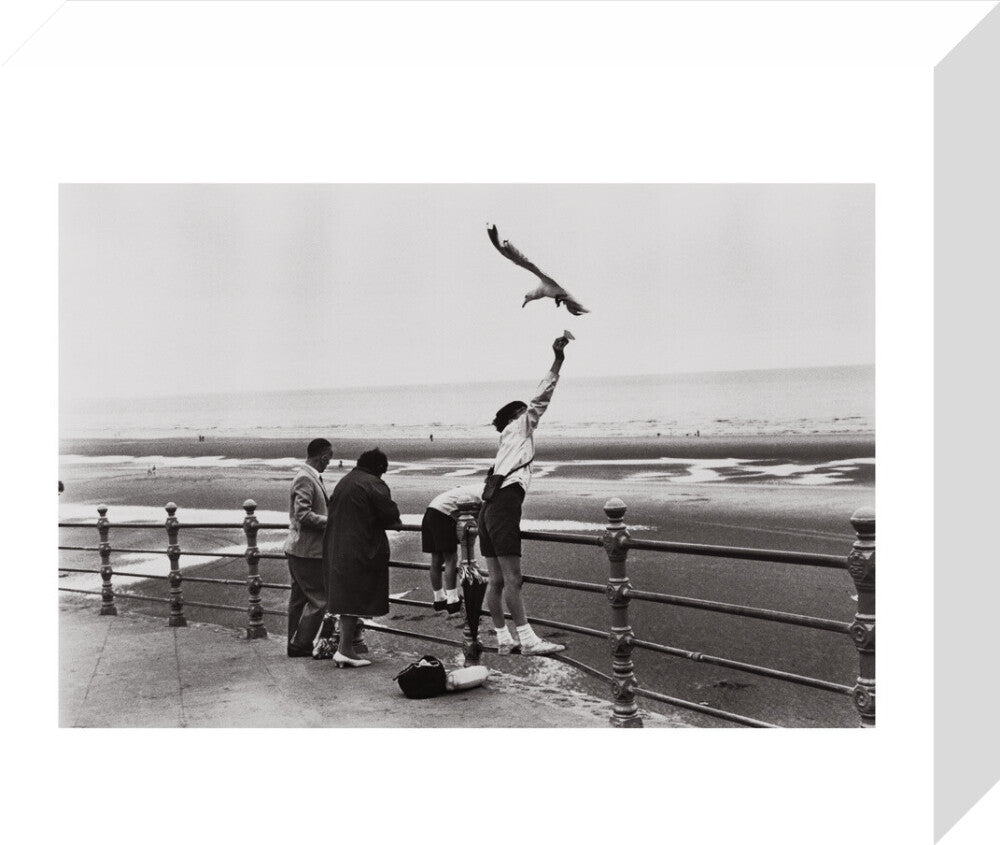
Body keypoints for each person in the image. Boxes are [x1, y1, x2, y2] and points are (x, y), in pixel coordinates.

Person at [480, 336, 569, 656]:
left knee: (495, 579)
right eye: (523, 413)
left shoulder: (505, 444)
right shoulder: (519, 428)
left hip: (488, 507)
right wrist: (557, 361)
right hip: (504, 504)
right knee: (512, 578)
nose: (529, 417)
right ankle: (529, 640)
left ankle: (504, 639)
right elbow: (542, 397)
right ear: (516, 416)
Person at [322, 448, 402, 668]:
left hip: (336, 546)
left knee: (347, 597)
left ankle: (344, 649)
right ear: (379, 469)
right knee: (354, 597)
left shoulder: (345, 481)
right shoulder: (373, 483)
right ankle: (345, 650)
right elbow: (391, 515)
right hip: (359, 548)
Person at [283, 438, 333, 657]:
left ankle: (293, 641)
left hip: (297, 549)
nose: (329, 463)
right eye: (328, 459)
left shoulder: (305, 476)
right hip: (308, 551)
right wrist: (330, 522)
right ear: (322, 457)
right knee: (320, 599)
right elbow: (302, 514)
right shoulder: (306, 478)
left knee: (298, 599)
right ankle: (300, 643)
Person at [421, 483, 483, 612]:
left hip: (431, 511)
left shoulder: (472, 488)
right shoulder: (484, 492)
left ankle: (439, 598)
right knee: (450, 558)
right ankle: (452, 599)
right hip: (444, 515)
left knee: (436, 559)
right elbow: (483, 513)